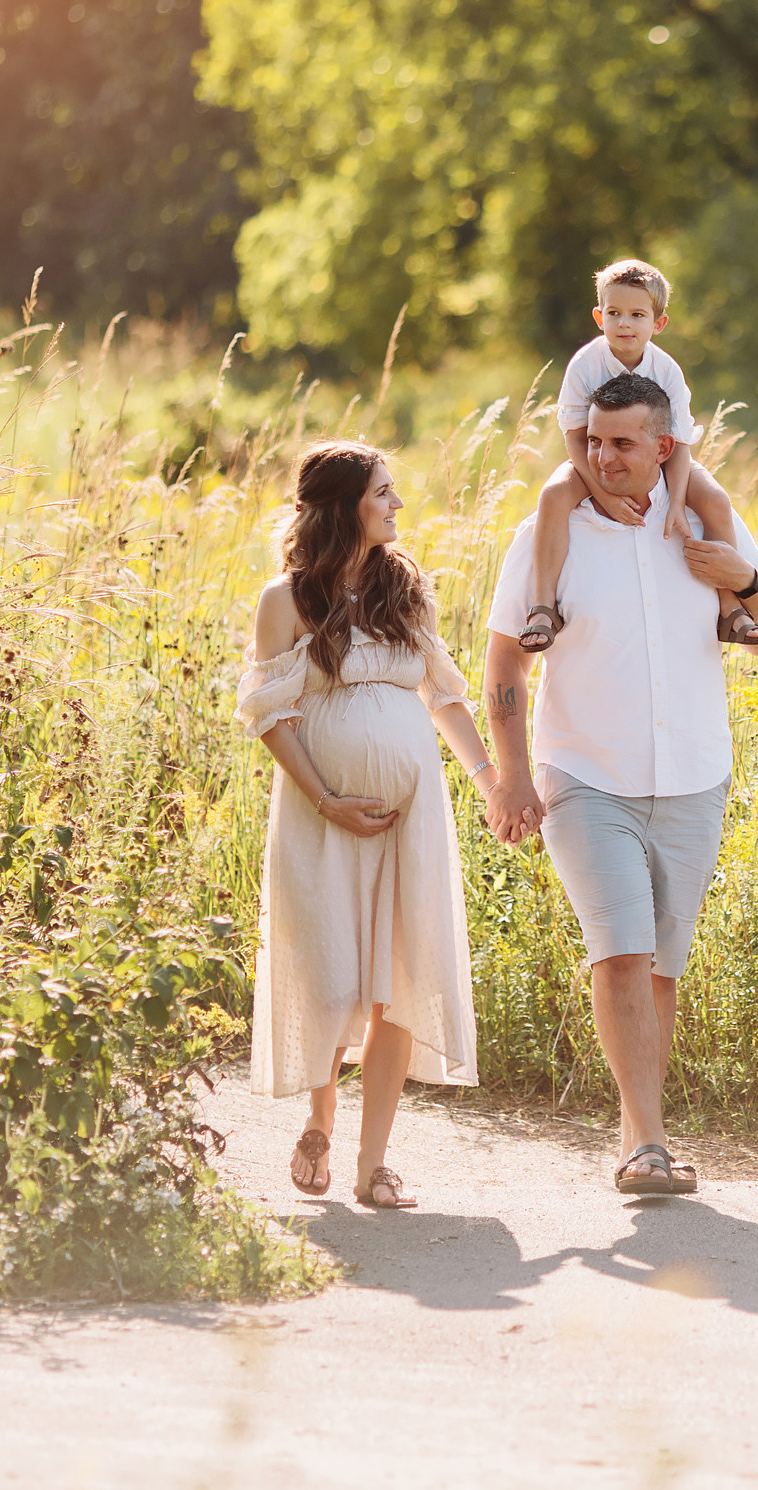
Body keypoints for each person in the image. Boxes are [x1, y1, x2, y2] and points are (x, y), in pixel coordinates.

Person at [481, 372, 758, 1195]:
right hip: (586, 774)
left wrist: (744, 580)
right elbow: (505, 660)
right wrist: (512, 773)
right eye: (592, 440)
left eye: (622, 442)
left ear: (663, 446)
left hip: (694, 773)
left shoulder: (703, 525)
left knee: (660, 970)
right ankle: (649, 1145)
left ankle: (636, 1133)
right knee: (620, 952)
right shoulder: (550, 534)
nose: (602, 456)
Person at [236, 440, 507, 1210]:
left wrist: (491, 782)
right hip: (320, 818)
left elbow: (444, 697)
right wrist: (328, 799)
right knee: (330, 978)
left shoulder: (404, 587)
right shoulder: (285, 600)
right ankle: (320, 1119)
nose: (397, 504)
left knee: (399, 977)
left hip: (408, 822)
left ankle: (373, 1162)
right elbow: (271, 716)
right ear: (342, 505)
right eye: (383, 491)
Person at [516, 258, 758, 654]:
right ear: (599, 316)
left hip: (662, 457)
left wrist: (677, 502)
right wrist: (603, 494)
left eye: (637, 315)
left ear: (658, 323)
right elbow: (576, 437)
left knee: (716, 499)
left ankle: (730, 608)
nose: (624, 324)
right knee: (553, 495)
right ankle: (544, 607)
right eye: (614, 313)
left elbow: (679, 443)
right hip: (593, 457)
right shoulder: (584, 365)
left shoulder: (666, 370)